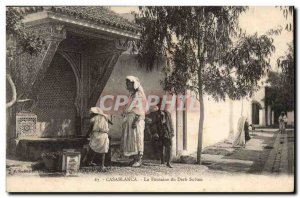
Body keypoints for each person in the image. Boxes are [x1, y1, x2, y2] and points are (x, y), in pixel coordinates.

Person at [121, 76, 147, 167]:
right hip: (130, 119)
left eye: (129, 83)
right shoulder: (132, 94)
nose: (127, 85)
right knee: (131, 139)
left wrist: (135, 121)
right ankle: (134, 159)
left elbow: (140, 110)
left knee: (137, 138)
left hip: (136, 120)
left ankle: (139, 159)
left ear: (134, 84)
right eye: (127, 83)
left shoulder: (138, 95)